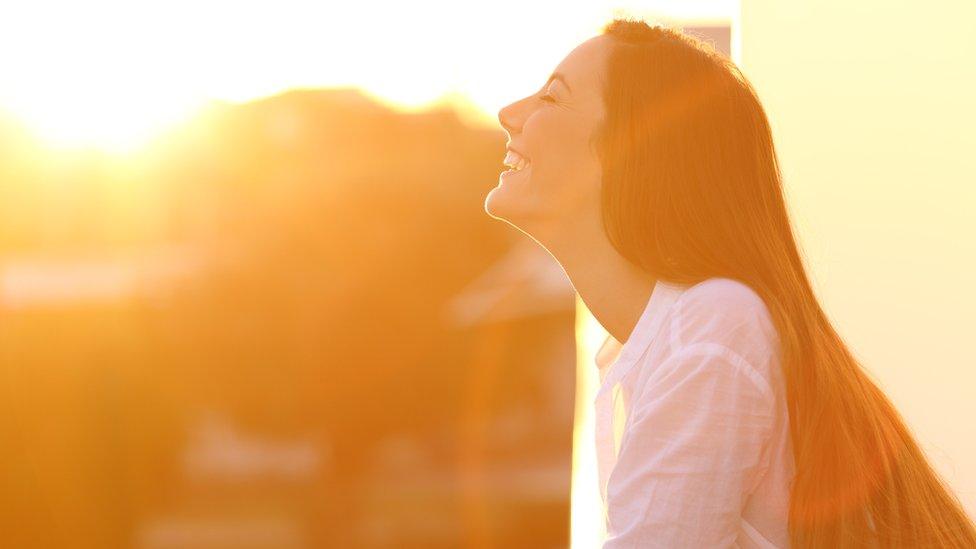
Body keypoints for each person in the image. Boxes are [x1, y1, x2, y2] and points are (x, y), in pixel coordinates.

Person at [484, 17, 976, 548]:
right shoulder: (666, 341)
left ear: (633, 149)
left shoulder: (714, 327)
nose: (509, 115)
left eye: (552, 98)